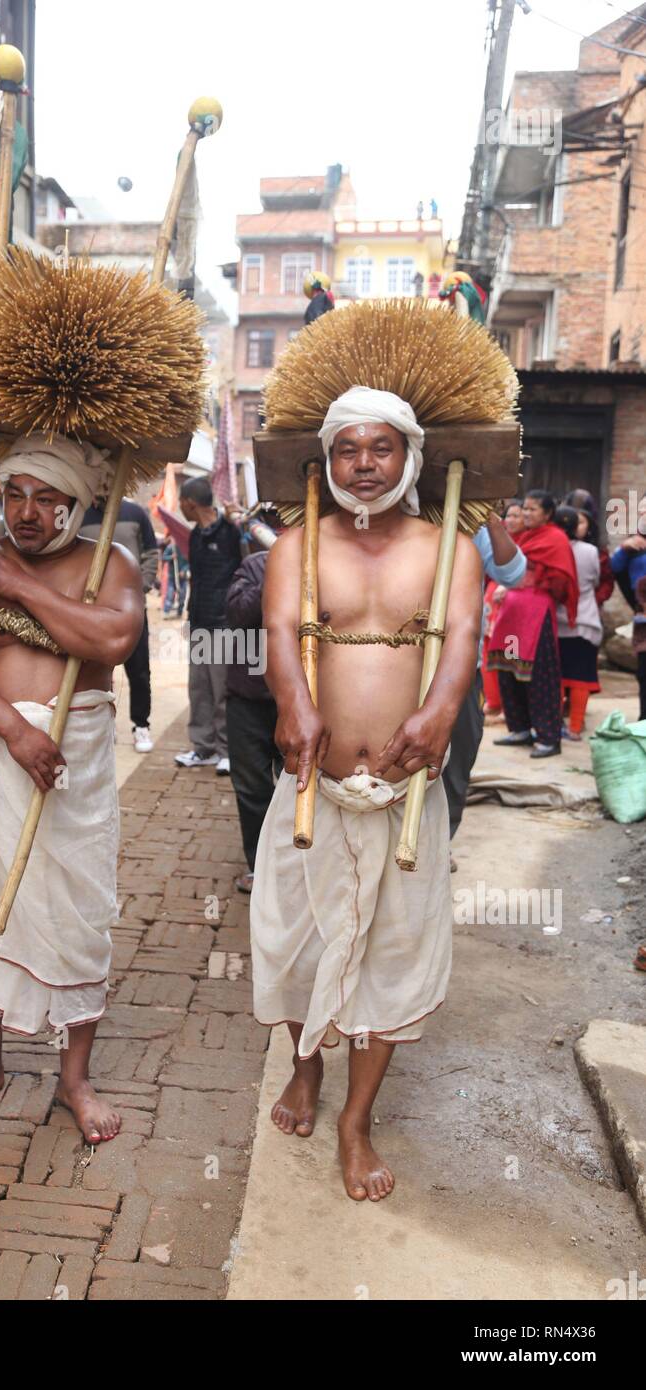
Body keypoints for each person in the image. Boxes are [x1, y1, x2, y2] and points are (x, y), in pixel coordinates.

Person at [252, 386, 482, 1203]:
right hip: (311, 781)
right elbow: (282, 633)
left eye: (380, 447)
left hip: (406, 787)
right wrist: (295, 703)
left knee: (392, 950)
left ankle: (356, 1120)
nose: (363, 464)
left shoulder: (448, 545)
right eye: (347, 449)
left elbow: (461, 638)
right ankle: (303, 1068)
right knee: (295, 940)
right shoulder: (297, 546)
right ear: (328, 460)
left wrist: (440, 711)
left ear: (408, 456)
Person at [0, 433, 143, 1143]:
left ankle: (73, 1079)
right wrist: (11, 730)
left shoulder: (110, 563)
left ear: (79, 504)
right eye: (15, 495)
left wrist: (18, 587)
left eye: (47, 500)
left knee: (75, 904)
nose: (26, 513)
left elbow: (111, 643)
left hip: (74, 756)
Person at [442, 508, 526, 849]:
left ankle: (438, 843)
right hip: (392, 665)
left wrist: (488, 513)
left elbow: (514, 574)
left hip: (458, 667)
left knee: (456, 757)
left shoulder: (470, 523)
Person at [487, 490, 578, 758]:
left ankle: (548, 737)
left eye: (532, 510)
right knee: (508, 669)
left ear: (548, 514)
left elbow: (562, 582)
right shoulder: (518, 537)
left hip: (535, 614)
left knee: (539, 676)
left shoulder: (555, 539)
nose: (526, 514)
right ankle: (520, 728)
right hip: (510, 613)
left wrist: (534, 582)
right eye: (524, 509)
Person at [78, 496, 159, 754]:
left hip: (132, 610)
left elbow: (151, 554)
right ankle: (105, 725)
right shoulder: (79, 514)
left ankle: (140, 726)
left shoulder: (136, 512)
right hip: (93, 612)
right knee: (97, 670)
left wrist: (138, 588)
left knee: (139, 672)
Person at [174, 475, 243, 774]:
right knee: (199, 689)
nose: (180, 509)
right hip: (200, 621)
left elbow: (250, 558)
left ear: (190, 503)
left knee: (222, 692)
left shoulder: (230, 531)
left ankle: (227, 750)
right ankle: (203, 748)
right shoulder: (195, 536)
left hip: (225, 623)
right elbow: (197, 580)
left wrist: (238, 521)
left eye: (181, 503)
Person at [225, 548, 282, 894]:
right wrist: (272, 576)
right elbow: (237, 614)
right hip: (248, 697)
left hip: (303, 698)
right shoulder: (254, 565)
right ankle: (259, 865)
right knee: (251, 785)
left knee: (307, 783)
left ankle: (304, 864)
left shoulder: (327, 564)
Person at [554, 505, 602, 740]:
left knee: (559, 675)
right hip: (585, 620)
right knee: (581, 676)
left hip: (557, 621)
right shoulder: (590, 551)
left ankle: (556, 725)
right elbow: (594, 579)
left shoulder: (552, 546)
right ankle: (575, 727)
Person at [481, 499, 525, 719]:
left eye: (518, 515)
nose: (512, 520)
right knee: (488, 652)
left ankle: (508, 707)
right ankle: (493, 700)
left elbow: (515, 575)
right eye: (510, 515)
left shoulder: (529, 541)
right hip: (491, 604)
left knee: (509, 655)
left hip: (515, 610)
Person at [609, 513, 646, 719]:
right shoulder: (634, 546)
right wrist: (624, 548)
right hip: (643, 622)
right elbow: (614, 568)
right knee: (644, 675)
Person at [564, 489, 614, 608]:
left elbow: (606, 582)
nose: (575, 527)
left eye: (580, 522)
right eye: (572, 521)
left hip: (588, 608)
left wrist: (593, 600)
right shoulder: (558, 546)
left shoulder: (598, 552)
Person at [162, 538, 189, 618]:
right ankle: (166, 612)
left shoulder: (186, 549)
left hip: (182, 579)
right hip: (172, 577)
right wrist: (171, 557)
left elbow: (189, 562)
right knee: (169, 595)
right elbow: (163, 557)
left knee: (182, 596)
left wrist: (184, 570)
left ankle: (179, 612)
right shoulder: (171, 547)